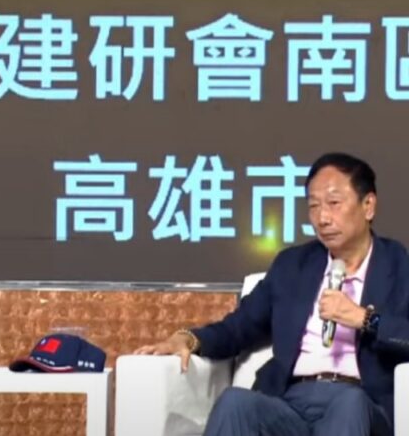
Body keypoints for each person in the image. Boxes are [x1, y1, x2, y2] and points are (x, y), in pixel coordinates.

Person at [134, 152, 409, 436]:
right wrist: (189, 339)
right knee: (235, 403)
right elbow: (238, 327)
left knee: (349, 405)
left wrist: (365, 319)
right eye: (313, 206)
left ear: (368, 206)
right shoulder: (292, 266)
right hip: (291, 402)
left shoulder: (400, 267)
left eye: (334, 203)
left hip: (362, 402)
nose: (322, 218)